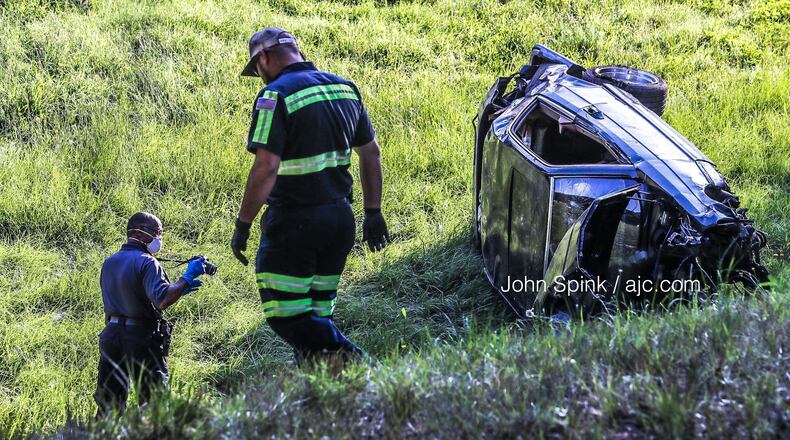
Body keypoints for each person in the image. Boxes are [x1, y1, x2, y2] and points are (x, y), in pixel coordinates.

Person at [230, 27, 390, 365]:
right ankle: (324, 388)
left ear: (263, 58)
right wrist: (373, 212)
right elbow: (371, 152)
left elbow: (266, 167)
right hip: (339, 221)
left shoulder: (274, 96)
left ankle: (363, 365)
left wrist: (243, 224)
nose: (259, 77)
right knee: (318, 315)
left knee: (285, 314)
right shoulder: (344, 88)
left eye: (256, 69)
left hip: (295, 223)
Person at [94, 211, 206, 416]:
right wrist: (187, 277)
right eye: (157, 232)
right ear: (140, 232)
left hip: (111, 337)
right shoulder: (148, 262)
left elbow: (131, 294)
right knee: (155, 404)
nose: (159, 238)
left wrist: (178, 291)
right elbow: (162, 300)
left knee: (109, 404)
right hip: (140, 339)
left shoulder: (110, 262)